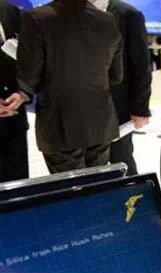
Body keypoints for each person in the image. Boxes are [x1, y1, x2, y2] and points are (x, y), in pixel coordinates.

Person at [16, 0, 123, 174]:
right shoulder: (107, 20)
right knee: (98, 183)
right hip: (100, 120)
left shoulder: (36, 18)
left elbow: (29, 76)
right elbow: (116, 76)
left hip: (59, 123)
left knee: (70, 186)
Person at [92, 0, 151, 176]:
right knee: (90, 166)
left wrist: (140, 108)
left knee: (121, 158)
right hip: (83, 106)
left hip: (118, 105)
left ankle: (132, 193)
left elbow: (141, 64)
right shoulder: (73, 12)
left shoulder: (129, 15)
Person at [0, 0, 29, 183]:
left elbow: (29, 58)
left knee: (18, 186)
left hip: (15, 120)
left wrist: (23, 92)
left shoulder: (10, 10)